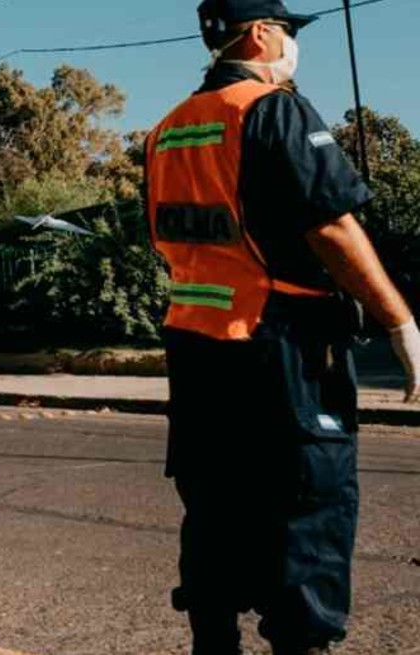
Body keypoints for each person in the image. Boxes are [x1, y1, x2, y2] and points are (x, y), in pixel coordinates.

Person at [144, 1, 420, 653]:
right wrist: (400, 321)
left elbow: (168, 237)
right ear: (262, 33)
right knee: (308, 501)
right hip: (282, 341)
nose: (294, 45)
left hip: (195, 343)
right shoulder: (273, 109)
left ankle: (214, 640)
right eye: (289, 31)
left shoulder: (168, 129)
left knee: (215, 502)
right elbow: (331, 224)